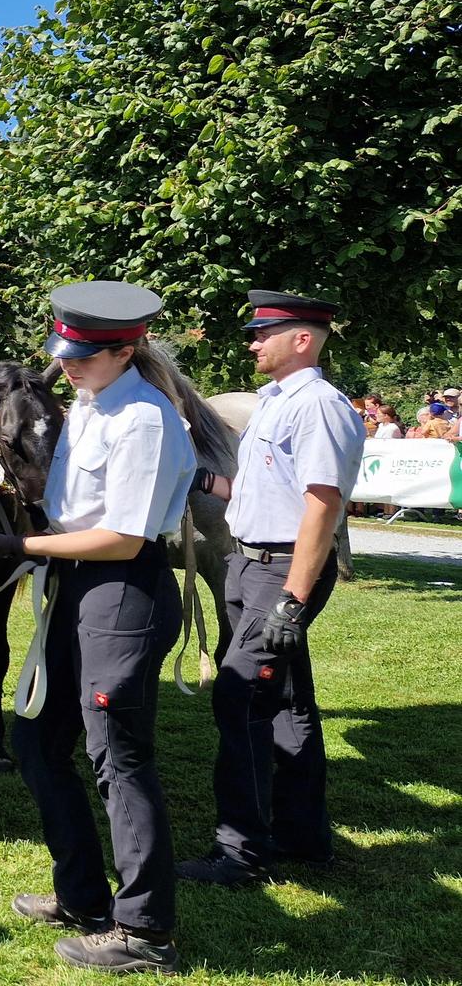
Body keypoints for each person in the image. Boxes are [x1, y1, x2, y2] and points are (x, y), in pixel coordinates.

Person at [0, 281, 194, 974]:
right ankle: (84, 895)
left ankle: (145, 930)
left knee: (118, 759)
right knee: (36, 741)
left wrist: (16, 548)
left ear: (129, 348)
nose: (74, 364)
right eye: (69, 352)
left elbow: (120, 536)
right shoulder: (90, 405)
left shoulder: (143, 419)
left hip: (122, 592)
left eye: (89, 354)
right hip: (77, 587)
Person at [177, 291, 365, 889]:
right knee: (286, 703)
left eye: (265, 333)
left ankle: (242, 852)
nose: (253, 342)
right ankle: (302, 836)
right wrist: (200, 475)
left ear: (302, 340)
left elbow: (321, 504)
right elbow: (263, 493)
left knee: (240, 699)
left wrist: (293, 596)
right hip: (250, 563)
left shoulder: (317, 407)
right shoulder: (274, 404)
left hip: (281, 572)